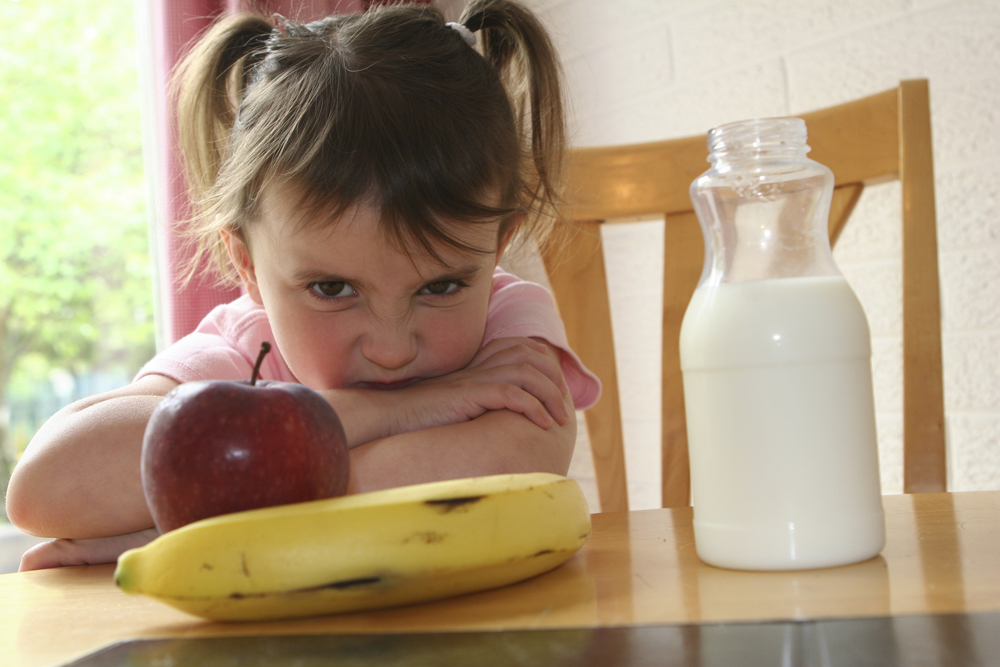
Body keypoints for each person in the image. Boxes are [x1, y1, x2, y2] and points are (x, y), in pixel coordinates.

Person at [6, 0, 600, 570]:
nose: (391, 348)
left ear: (498, 245)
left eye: (440, 287)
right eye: (333, 289)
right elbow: (44, 490)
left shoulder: (506, 322)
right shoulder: (242, 349)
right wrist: (401, 411)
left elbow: (518, 466)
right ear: (246, 265)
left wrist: (205, 513)